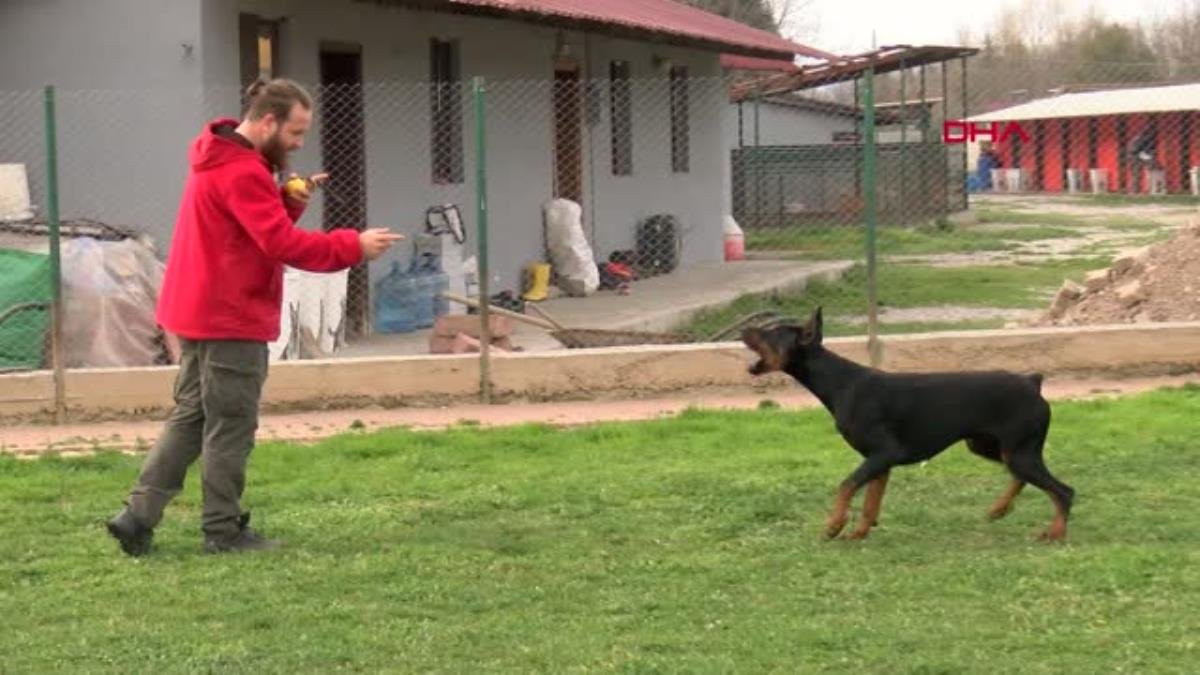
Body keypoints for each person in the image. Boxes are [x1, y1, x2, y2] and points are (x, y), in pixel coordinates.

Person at [106, 79, 402, 556]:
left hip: (198, 310)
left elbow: (245, 232)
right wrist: (353, 246)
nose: (299, 144)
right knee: (231, 425)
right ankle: (222, 531)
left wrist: (290, 198)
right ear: (268, 122)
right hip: (229, 316)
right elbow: (279, 244)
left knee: (191, 418)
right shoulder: (242, 171)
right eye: (295, 133)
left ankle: (137, 517)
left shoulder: (219, 158)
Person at [1127, 125, 1160, 193]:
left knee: (1141, 173)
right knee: (1137, 174)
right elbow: (1134, 150)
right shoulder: (1140, 139)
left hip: (1140, 155)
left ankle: (1149, 189)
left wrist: (1149, 156)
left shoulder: (1149, 139)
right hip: (1135, 156)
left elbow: (1150, 151)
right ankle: (1135, 191)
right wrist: (1146, 155)